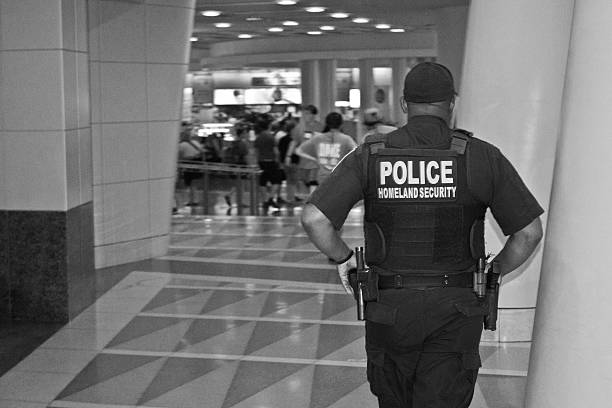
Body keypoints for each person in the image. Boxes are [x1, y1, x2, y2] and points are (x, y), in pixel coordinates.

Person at [300, 62, 544, 408]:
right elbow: (529, 233)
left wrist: (346, 261)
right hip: (456, 309)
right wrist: (494, 272)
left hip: (390, 309)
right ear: (452, 103)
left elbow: (314, 219)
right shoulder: (481, 156)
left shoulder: (371, 155)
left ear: (403, 104)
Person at [295, 111, 357, 187]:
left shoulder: (318, 138)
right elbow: (358, 153)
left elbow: (298, 151)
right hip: (340, 177)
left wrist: (314, 159)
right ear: (341, 124)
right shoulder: (346, 139)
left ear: (327, 123)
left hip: (322, 178)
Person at [253, 115, 283, 211]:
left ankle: (265, 200)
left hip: (261, 162)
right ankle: (270, 198)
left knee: (263, 181)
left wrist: (257, 162)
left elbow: (256, 151)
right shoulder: (271, 137)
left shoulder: (258, 138)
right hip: (271, 161)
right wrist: (279, 161)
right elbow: (276, 151)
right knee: (277, 180)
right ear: (268, 126)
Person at [223, 122, 250, 208]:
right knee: (241, 184)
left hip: (235, 165)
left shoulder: (234, 143)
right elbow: (245, 155)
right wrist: (248, 166)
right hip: (241, 165)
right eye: (245, 133)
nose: (246, 135)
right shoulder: (242, 144)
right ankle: (239, 201)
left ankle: (231, 196)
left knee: (239, 184)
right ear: (242, 134)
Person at [177, 122, 205, 206]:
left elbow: (179, 156)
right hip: (197, 165)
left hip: (187, 166)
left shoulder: (181, 145)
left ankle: (191, 200)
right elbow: (202, 152)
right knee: (194, 184)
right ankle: (195, 200)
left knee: (188, 184)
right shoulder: (196, 143)